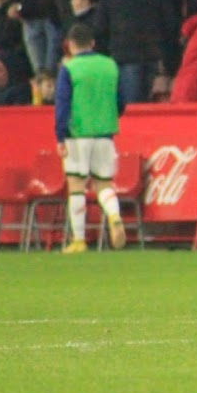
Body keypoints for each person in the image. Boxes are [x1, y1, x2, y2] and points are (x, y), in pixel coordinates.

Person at [55, 23, 128, 253]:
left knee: (76, 186)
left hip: (77, 134)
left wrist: (59, 135)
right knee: (104, 184)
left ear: (70, 45)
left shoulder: (69, 68)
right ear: (93, 43)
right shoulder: (110, 65)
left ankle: (78, 240)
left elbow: (62, 104)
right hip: (105, 134)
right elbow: (121, 101)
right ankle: (114, 216)